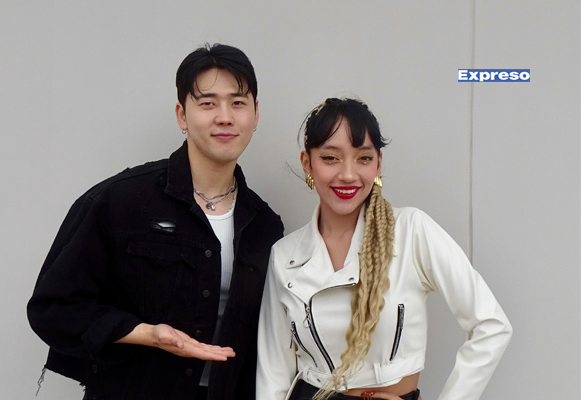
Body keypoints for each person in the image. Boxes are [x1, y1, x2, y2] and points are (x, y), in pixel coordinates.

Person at [27, 43, 284, 400]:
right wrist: (147, 334)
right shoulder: (121, 201)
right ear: (182, 115)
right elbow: (52, 308)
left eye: (238, 103)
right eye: (208, 103)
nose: (225, 117)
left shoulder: (264, 226)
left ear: (255, 114)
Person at [256, 98, 512, 400]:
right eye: (330, 158)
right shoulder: (285, 256)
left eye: (363, 158)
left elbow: (492, 325)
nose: (348, 174)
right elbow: (273, 376)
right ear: (307, 163)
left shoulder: (411, 230)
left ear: (378, 163)